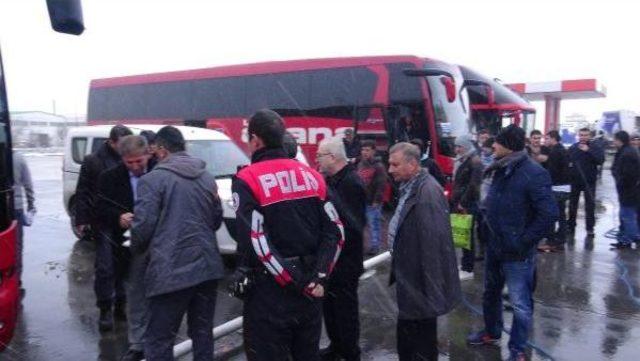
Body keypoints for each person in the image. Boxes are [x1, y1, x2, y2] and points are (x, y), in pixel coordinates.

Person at [230, 109, 342, 361]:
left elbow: (255, 240)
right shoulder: (312, 175)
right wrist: (320, 277)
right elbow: (335, 231)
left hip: (271, 294)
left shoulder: (247, 178)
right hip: (312, 292)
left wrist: (292, 281)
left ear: (255, 139)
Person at [131, 126, 225, 361]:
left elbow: (142, 230)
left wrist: (134, 247)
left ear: (162, 150)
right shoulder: (206, 177)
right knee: (202, 334)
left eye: (155, 150)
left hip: (170, 273)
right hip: (206, 269)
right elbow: (215, 220)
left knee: (159, 340)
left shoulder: (152, 181)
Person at [467, 125, 557, 361]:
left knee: (520, 303)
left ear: (508, 145)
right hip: (495, 247)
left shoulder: (534, 172)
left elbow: (548, 214)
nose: (493, 145)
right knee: (490, 294)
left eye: (497, 142)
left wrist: (523, 242)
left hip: (517, 252)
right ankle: (492, 332)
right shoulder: (499, 168)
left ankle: (518, 349)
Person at [387, 142, 461, 361]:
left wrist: (432, 291)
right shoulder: (411, 185)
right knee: (410, 335)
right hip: (411, 276)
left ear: (412, 164)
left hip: (419, 282)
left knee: (420, 340)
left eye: (395, 164)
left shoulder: (427, 192)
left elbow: (433, 246)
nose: (390, 169)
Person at [96, 135, 155, 359]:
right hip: (129, 247)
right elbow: (100, 208)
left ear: (148, 154)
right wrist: (118, 217)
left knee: (159, 296)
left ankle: (157, 338)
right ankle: (138, 343)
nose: (136, 166)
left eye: (139, 161)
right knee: (136, 295)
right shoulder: (109, 178)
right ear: (122, 160)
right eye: (129, 163)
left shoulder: (160, 172)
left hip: (158, 244)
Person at [316, 136, 366, 361]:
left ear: (332, 157)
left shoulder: (351, 183)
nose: (316, 159)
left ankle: (350, 351)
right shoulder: (333, 180)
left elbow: (352, 225)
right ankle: (336, 346)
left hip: (346, 260)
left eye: (320, 155)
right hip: (333, 259)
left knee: (345, 311)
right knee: (331, 307)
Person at [75, 125, 133, 239]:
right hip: (102, 218)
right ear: (112, 142)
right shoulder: (92, 161)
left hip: (128, 218)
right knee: (106, 254)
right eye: (123, 144)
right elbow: (83, 191)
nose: (127, 147)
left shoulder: (131, 159)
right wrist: (81, 219)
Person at [451, 134, 483, 280]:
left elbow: (473, 185)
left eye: (459, 146)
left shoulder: (474, 161)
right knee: (462, 235)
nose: (457, 149)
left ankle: (468, 268)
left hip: (466, 204)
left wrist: (463, 202)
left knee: (467, 236)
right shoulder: (465, 160)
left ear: (466, 146)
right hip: (461, 203)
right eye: (456, 146)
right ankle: (465, 264)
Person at [538, 130, 571, 253]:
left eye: (547, 138)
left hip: (556, 187)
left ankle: (551, 242)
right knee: (561, 214)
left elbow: (553, 172)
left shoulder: (555, 152)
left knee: (551, 214)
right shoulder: (563, 150)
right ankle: (560, 240)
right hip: (565, 187)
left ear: (553, 139)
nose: (545, 141)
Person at [567, 128, 605, 237]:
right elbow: (567, 161)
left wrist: (588, 151)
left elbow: (600, 160)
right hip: (575, 181)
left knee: (590, 205)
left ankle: (590, 228)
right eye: (581, 135)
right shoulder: (573, 147)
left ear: (589, 136)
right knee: (572, 205)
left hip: (589, 181)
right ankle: (571, 225)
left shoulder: (595, 147)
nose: (583, 137)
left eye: (585, 135)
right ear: (578, 136)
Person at [610, 131, 640, 249]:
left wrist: (620, 182)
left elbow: (628, 175)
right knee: (625, 216)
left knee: (627, 216)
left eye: (614, 139)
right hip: (628, 191)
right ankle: (625, 238)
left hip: (629, 192)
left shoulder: (627, 154)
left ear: (619, 140)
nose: (613, 142)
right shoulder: (625, 151)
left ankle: (628, 239)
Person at [356, 140, 387, 255]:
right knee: (361, 224)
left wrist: (376, 200)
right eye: (363, 150)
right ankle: (363, 245)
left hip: (372, 201)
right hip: (361, 200)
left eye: (367, 150)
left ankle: (375, 246)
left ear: (373, 151)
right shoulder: (360, 164)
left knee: (374, 224)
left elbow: (381, 184)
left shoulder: (378, 166)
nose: (364, 152)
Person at [12, 151, 35, 294]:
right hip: (16, 208)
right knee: (16, 246)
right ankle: (16, 282)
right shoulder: (19, 158)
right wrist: (31, 204)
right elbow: (28, 184)